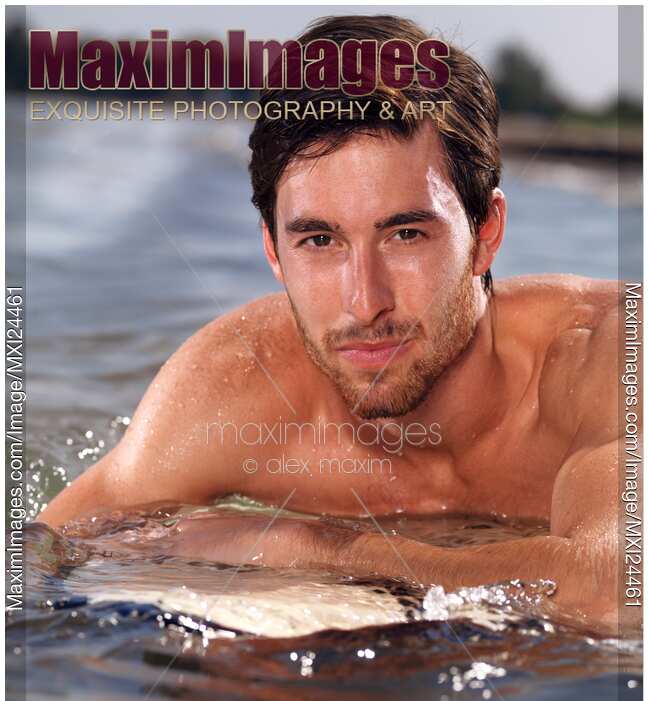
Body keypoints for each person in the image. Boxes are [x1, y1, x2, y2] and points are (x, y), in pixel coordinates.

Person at [37, 15, 622, 619]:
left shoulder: (610, 352)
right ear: (273, 252)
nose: (365, 302)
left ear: (485, 234)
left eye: (406, 234)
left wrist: (307, 545)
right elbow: (43, 554)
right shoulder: (235, 385)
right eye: (320, 241)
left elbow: (614, 591)